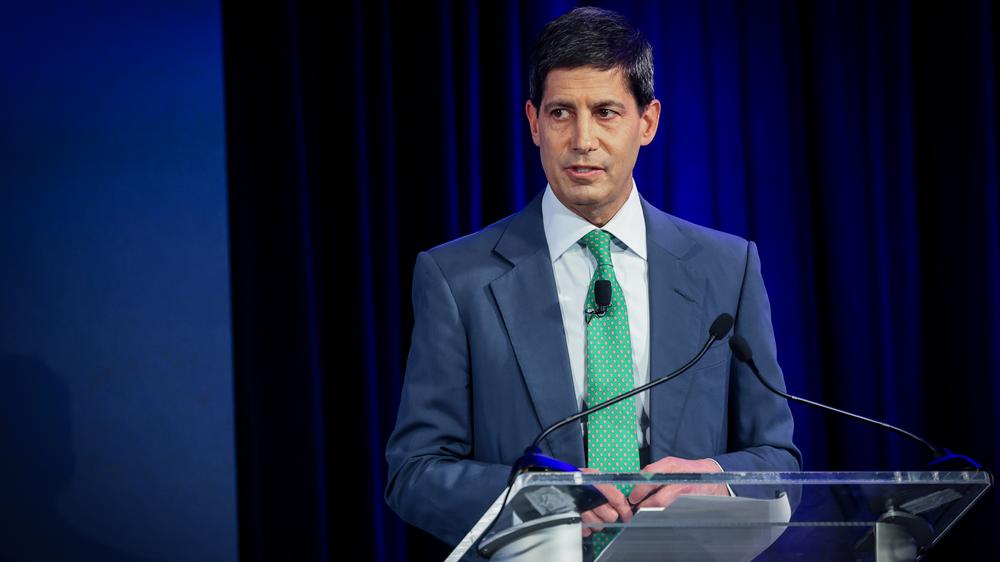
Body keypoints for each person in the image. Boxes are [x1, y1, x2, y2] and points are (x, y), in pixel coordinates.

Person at [384, 6, 800, 549]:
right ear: (533, 122)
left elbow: (778, 460)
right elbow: (414, 474)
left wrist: (715, 480)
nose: (583, 139)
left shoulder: (728, 268)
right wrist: (541, 500)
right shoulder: (457, 279)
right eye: (561, 113)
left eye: (606, 112)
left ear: (647, 122)